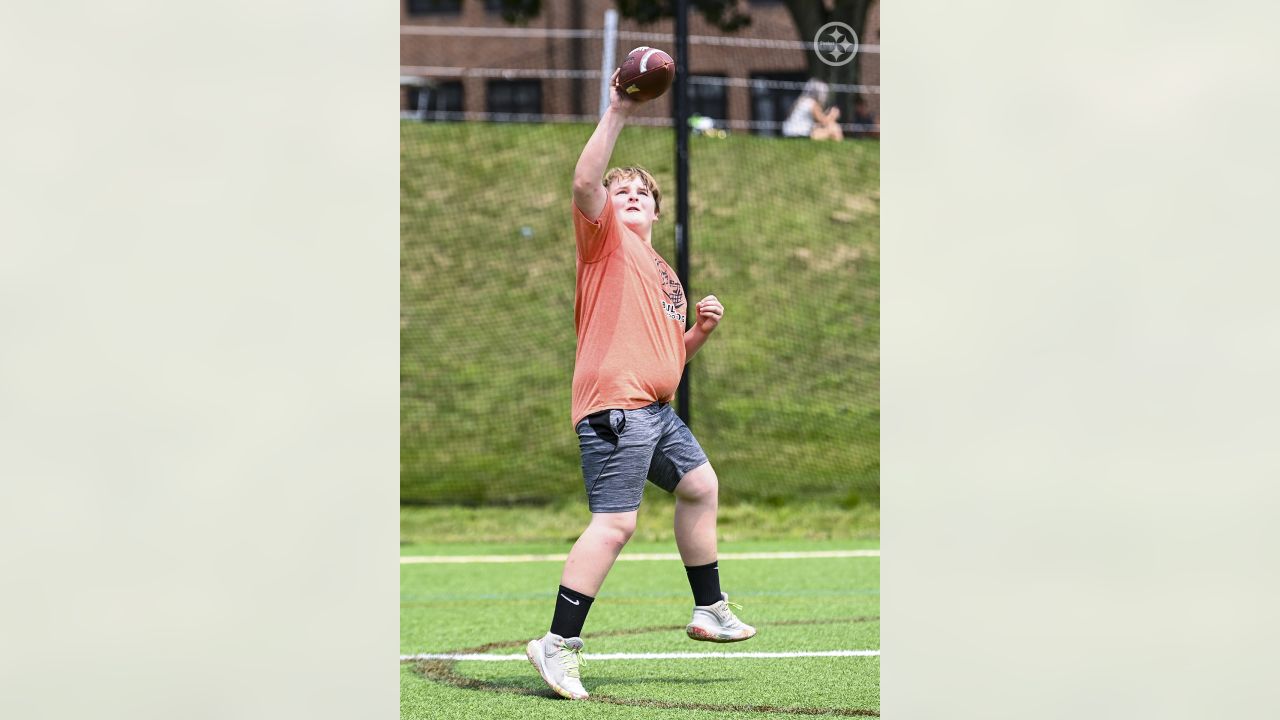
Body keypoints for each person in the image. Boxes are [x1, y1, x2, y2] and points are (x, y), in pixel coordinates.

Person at [525, 70, 756, 701]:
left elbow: (665, 360)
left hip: (654, 408)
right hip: (617, 410)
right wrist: (619, 111)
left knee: (700, 486)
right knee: (616, 524)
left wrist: (699, 333)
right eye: (619, 189)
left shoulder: (663, 271)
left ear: (656, 210)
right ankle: (557, 643)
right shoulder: (606, 243)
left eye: (640, 193)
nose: (628, 196)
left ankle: (709, 609)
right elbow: (581, 182)